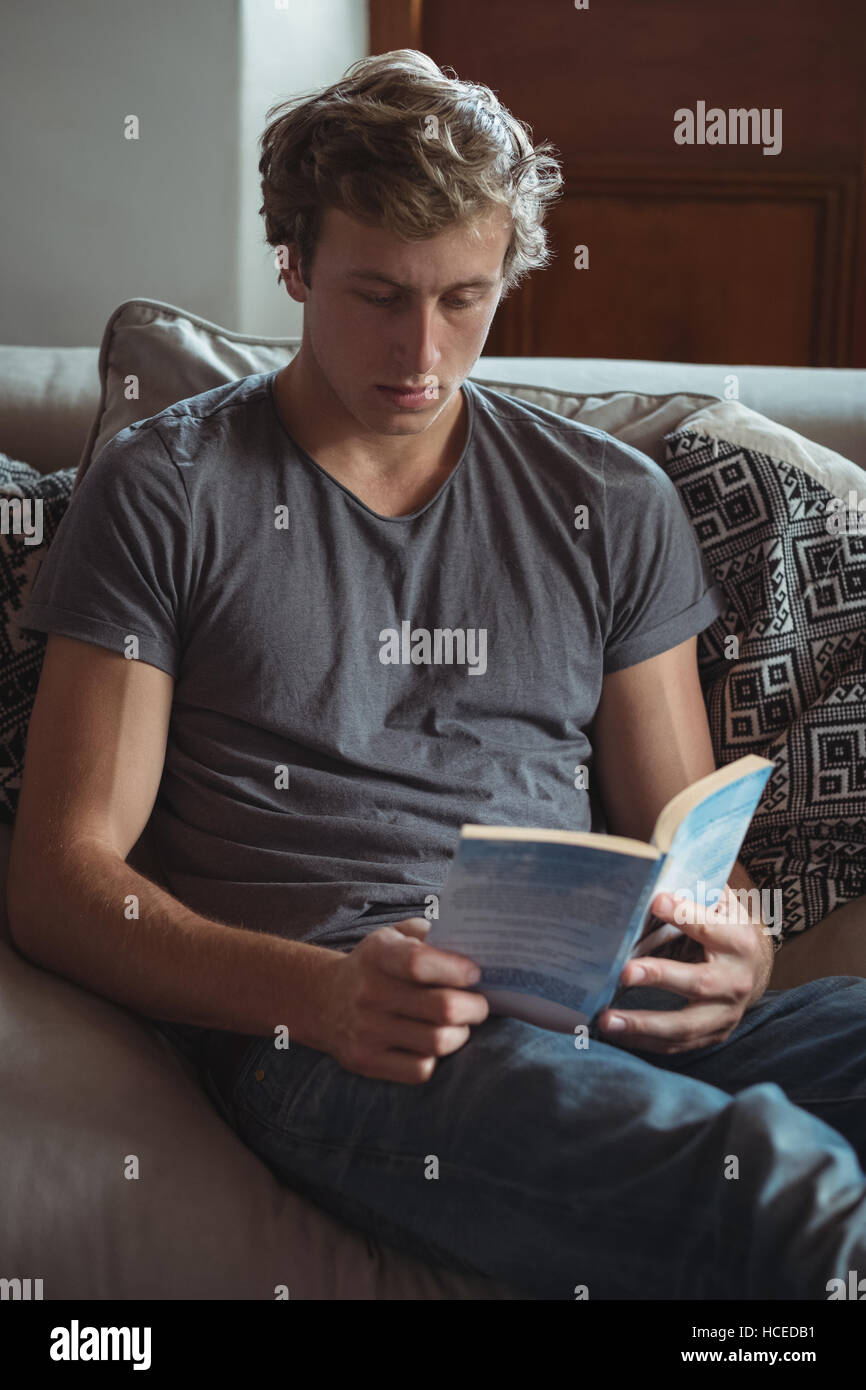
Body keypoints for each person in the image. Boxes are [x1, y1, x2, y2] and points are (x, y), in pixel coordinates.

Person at [8, 49, 866, 1301]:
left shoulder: (609, 502)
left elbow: (695, 847)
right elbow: (63, 883)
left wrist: (733, 942)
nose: (421, 350)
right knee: (788, 1189)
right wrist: (318, 992)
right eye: (375, 294)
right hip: (339, 1034)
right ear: (294, 265)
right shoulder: (167, 486)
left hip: (593, 1004)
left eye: (463, 297)